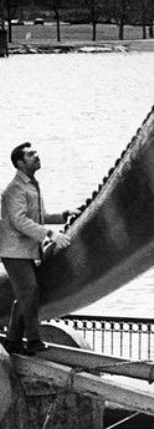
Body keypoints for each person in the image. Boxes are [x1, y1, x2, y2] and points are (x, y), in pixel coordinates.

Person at [0, 143, 74, 355]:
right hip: (14, 252)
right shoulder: (15, 190)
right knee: (30, 292)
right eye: (31, 154)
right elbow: (20, 221)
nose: (36, 156)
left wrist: (63, 215)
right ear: (20, 163)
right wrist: (50, 234)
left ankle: (13, 341)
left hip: (27, 251)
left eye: (35, 153)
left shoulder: (32, 186)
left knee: (26, 295)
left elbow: (39, 217)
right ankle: (33, 340)